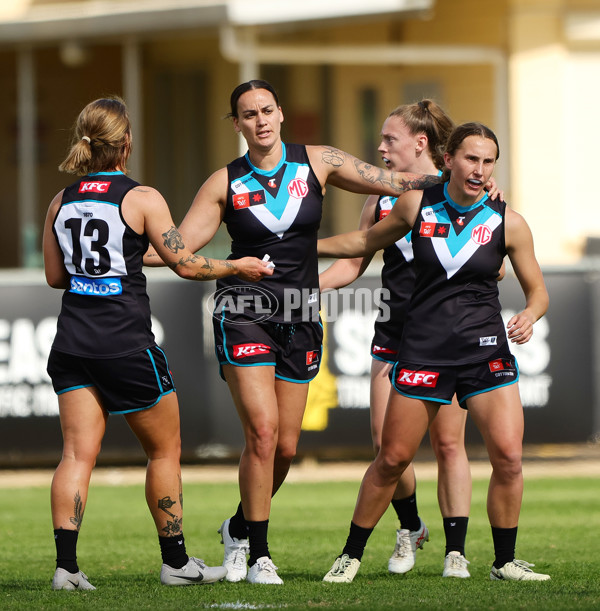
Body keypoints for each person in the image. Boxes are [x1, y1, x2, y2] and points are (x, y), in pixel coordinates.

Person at [145, 79, 442, 585]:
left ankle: (236, 527)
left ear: (280, 113)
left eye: (266, 110)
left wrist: (463, 181)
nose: (259, 120)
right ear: (236, 124)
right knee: (261, 433)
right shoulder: (224, 182)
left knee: (284, 448)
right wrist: (227, 265)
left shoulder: (319, 160)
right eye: (247, 114)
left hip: (302, 316)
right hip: (242, 311)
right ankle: (257, 552)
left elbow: (396, 183)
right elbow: (174, 251)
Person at [42, 97, 273, 591]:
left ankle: (66, 569)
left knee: (76, 456)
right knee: (164, 452)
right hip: (125, 344)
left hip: (72, 346)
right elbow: (186, 264)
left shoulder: (60, 201)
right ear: (126, 142)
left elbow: (55, 276)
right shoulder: (141, 197)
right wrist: (239, 266)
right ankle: (176, 563)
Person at [319, 122, 550, 583]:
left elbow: (538, 291)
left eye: (488, 162)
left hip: (485, 353)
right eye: (470, 159)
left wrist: (529, 315)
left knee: (508, 457)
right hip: (423, 351)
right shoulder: (414, 203)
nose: (479, 170)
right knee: (391, 458)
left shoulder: (509, 221)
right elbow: (363, 244)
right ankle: (350, 555)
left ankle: (503, 561)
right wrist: (301, 250)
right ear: (448, 160)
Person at [320, 100, 476, 578]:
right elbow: (352, 263)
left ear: (420, 143)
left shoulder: (467, 192)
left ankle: (456, 552)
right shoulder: (381, 199)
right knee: (385, 446)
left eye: (390, 139)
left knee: (448, 443)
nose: (381, 147)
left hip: (448, 337)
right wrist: (299, 282)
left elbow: (497, 257)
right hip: (394, 333)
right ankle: (410, 528)